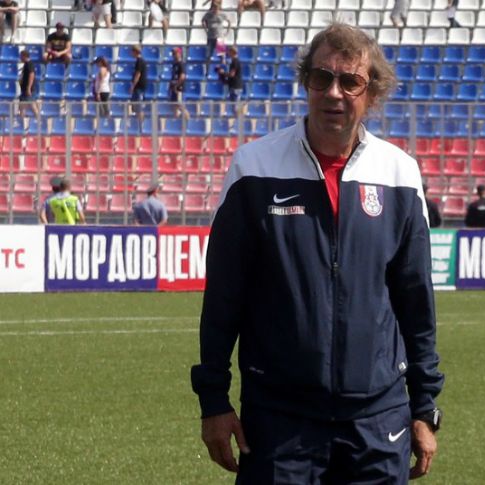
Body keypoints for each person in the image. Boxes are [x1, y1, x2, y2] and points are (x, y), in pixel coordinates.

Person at [191, 22, 444, 483]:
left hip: (378, 419)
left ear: (372, 92)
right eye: (321, 77)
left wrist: (424, 406)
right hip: (279, 419)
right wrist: (214, 400)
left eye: (350, 81)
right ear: (306, 81)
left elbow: (415, 302)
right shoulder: (254, 167)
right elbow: (224, 297)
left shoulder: (400, 173)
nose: (333, 93)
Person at [18, 50, 39, 120]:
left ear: (24, 56)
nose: (20, 58)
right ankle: (21, 122)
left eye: (21, 56)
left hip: (28, 90)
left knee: (33, 106)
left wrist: (28, 88)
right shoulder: (26, 64)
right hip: (24, 90)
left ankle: (39, 121)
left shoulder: (29, 64)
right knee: (22, 107)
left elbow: (31, 75)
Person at [169, 47, 188, 120]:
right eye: (173, 53)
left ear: (179, 54)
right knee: (174, 107)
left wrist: (176, 85)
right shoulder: (174, 64)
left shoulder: (181, 64)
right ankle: (176, 123)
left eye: (175, 53)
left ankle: (188, 121)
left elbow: (182, 76)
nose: (174, 55)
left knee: (181, 106)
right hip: (174, 89)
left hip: (179, 89)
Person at [130, 45, 147, 124]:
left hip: (139, 87)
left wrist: (133, 86)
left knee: (139, 108)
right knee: (136, 108)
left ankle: (141, 125)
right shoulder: (139, 61)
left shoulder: (139, 61)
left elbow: (138, 74)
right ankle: (138, 124)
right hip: (138, 87)